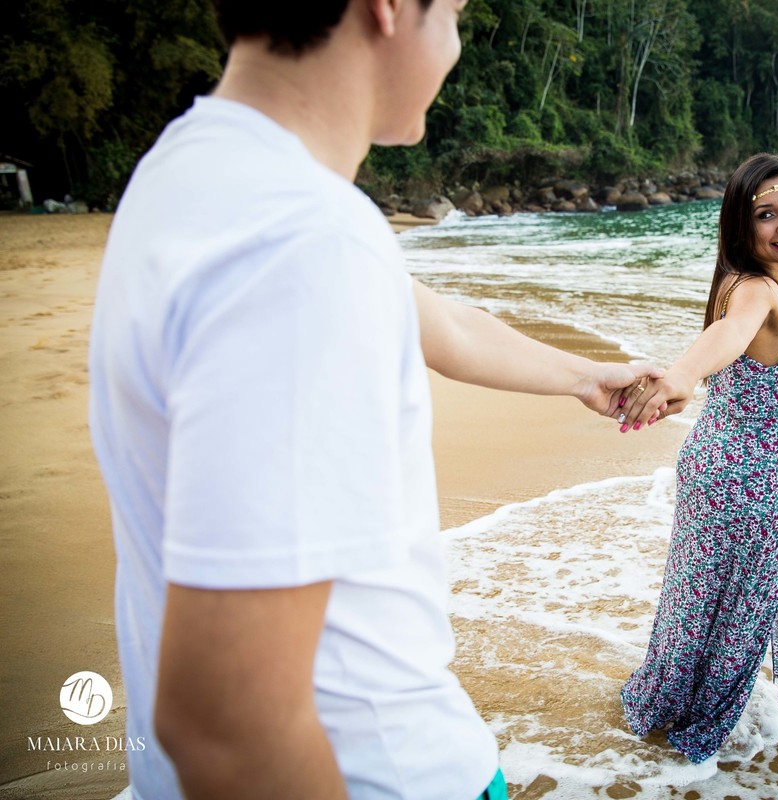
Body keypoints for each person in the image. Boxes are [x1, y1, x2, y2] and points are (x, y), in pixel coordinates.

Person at [87, 1, 660, 798]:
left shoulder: (188, 169)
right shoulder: (304, 241)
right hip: (380, 772)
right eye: (454, 12)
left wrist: (585, 377)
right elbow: (227, 724)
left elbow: (444, 325)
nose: (454, 46)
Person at [616, 152, 778, 763]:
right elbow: (727, 335)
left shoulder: (744, 282)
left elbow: (731, 341)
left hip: (718, 468)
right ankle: (697, 744)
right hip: (749, 484)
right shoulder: (758, 291)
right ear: (741, 224)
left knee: (697, 606)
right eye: (766, 214)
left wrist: (686, 378)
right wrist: (682, 374)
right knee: (735, 616)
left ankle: (662, 713)